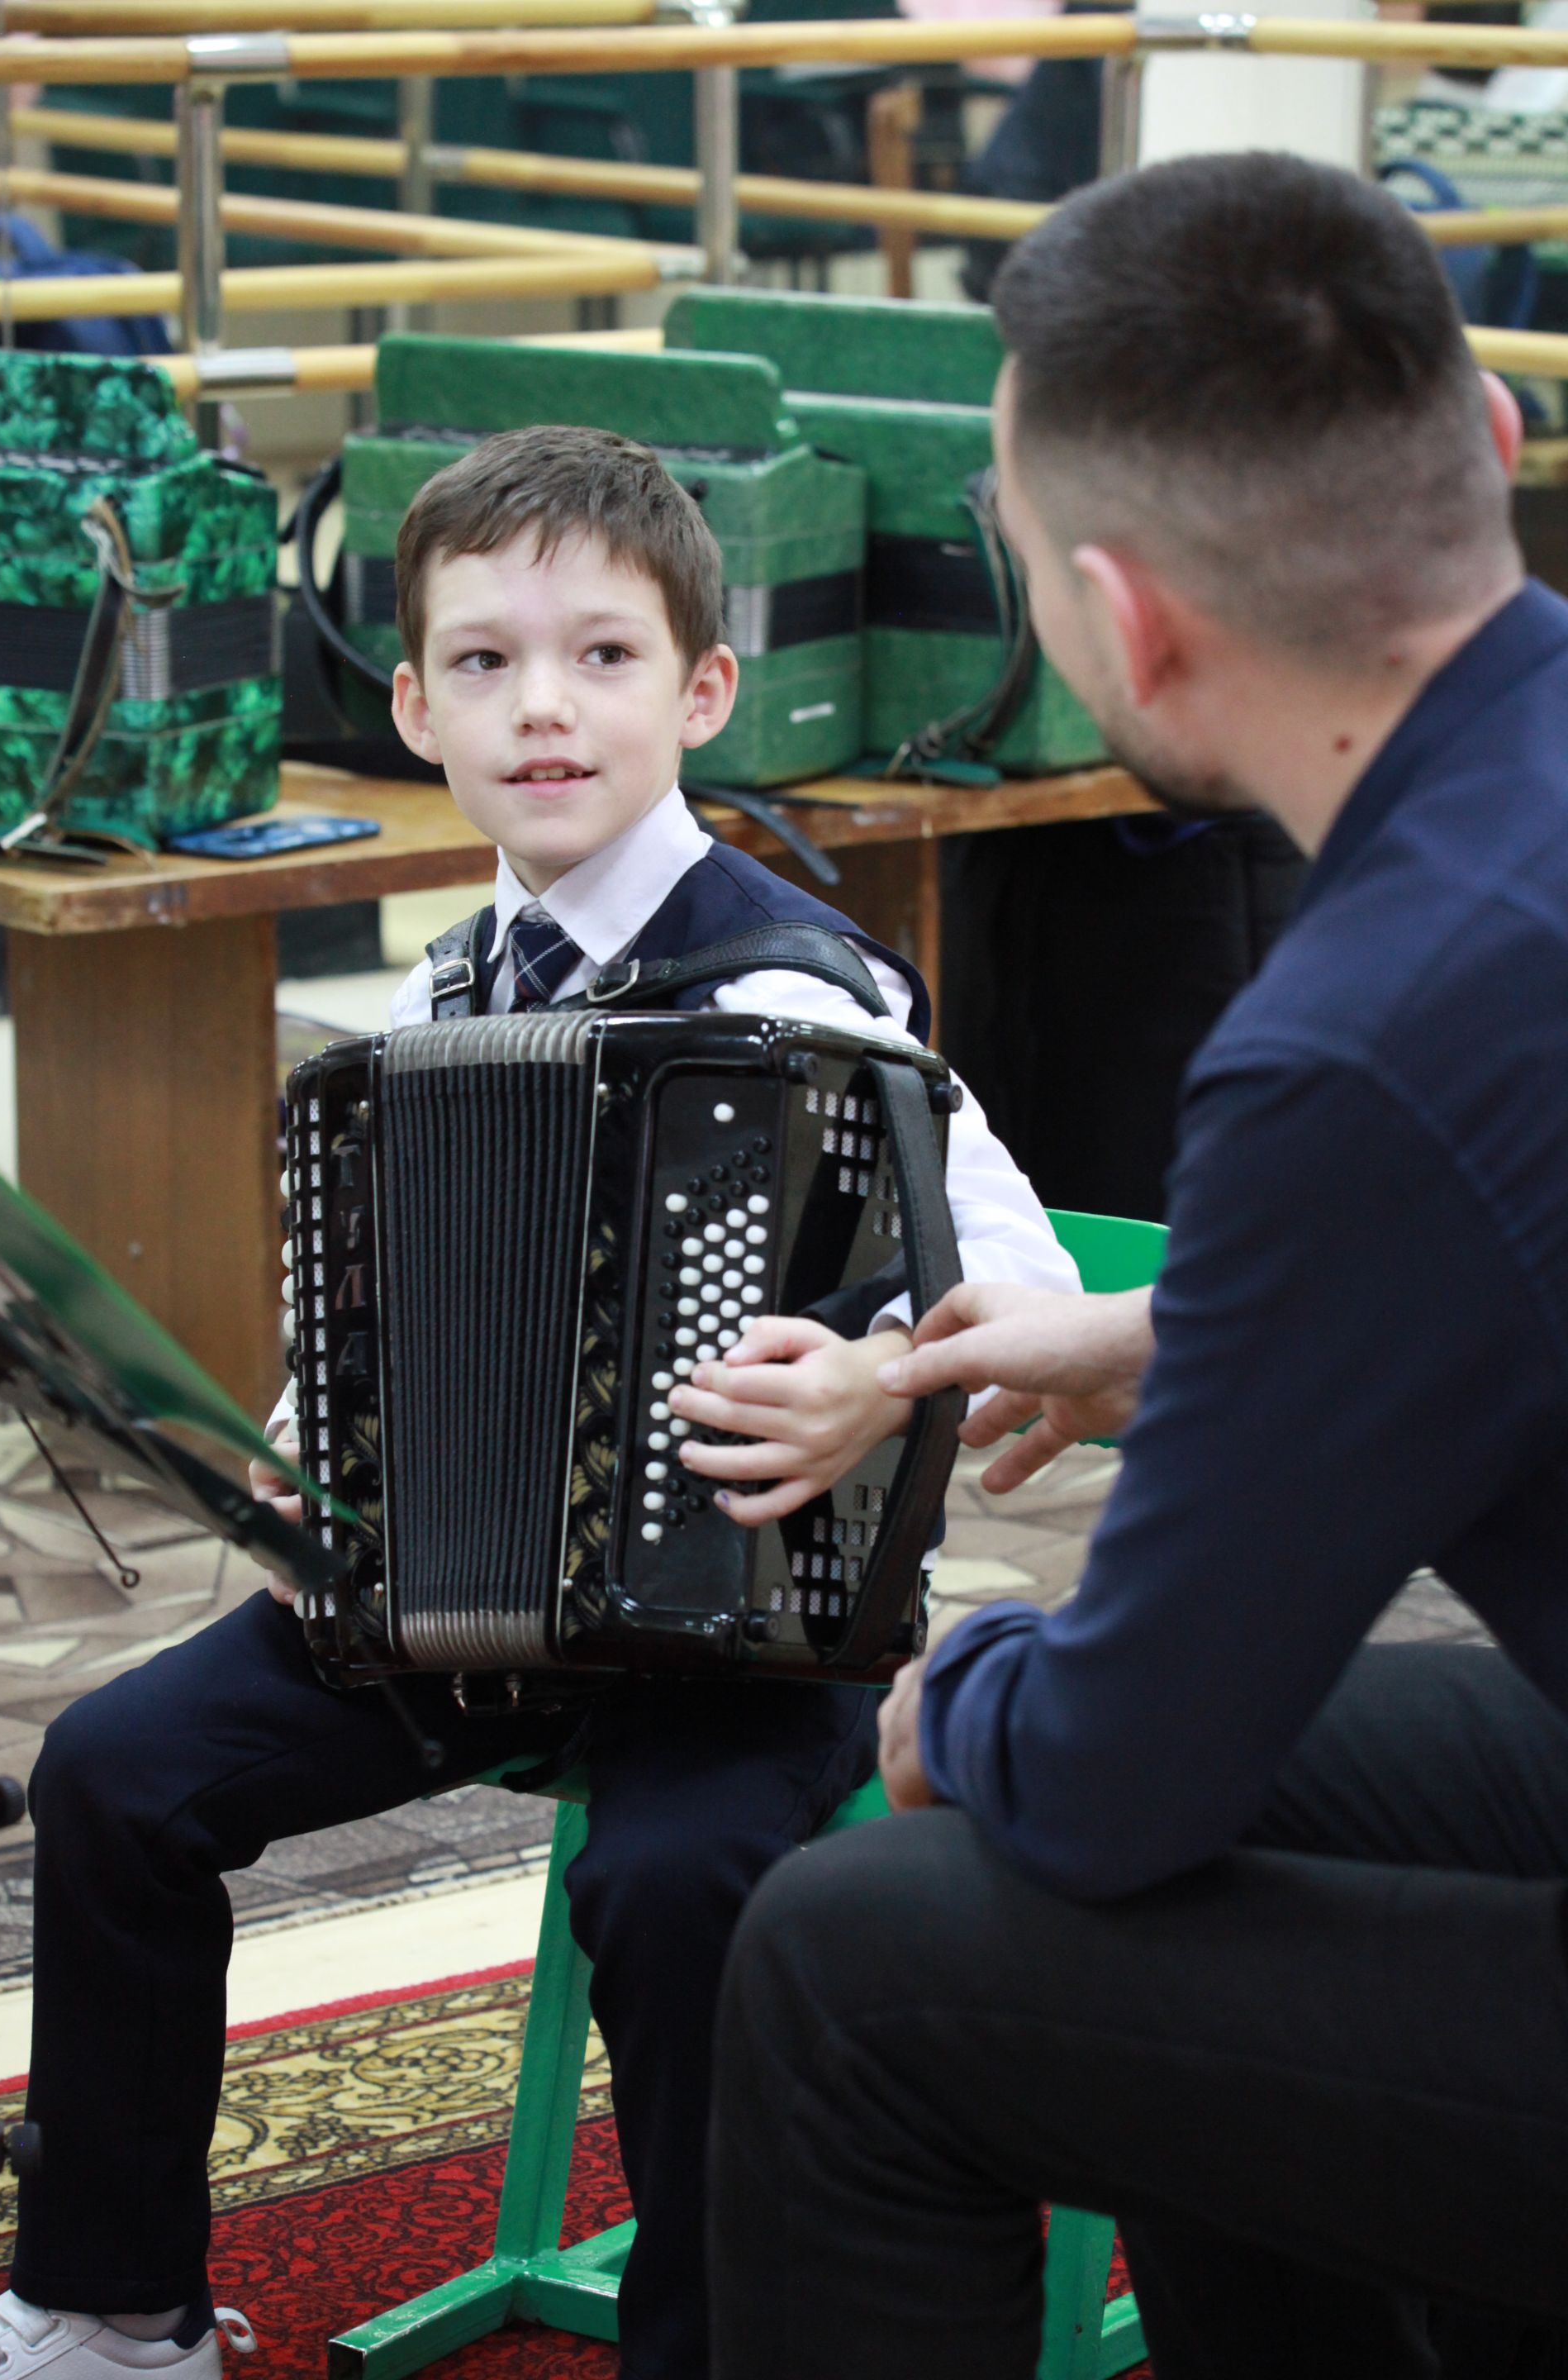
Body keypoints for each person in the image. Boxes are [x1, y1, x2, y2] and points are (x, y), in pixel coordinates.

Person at [0, 425, 1077, 2380]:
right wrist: (316, 1426)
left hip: (748, 1628)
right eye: (483, 663)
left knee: (680, 1883)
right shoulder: (446, 989)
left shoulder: (805, 995)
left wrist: (867, 1380)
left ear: (703, 690)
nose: (543, 707)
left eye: (601, 656)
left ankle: (724, 2348)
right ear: (412, 706)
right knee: (117, 1775)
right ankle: (114, 2304)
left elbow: (1033, 1301)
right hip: (457, 1607)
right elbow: (396, 1299)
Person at [706, 152, 1568, 2380]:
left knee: (869, 1944)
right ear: (1487, 443)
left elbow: (1116, 1770)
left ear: (1128, 620)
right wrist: (1185, 1327)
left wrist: (948, 1699)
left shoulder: (1351, 1040)